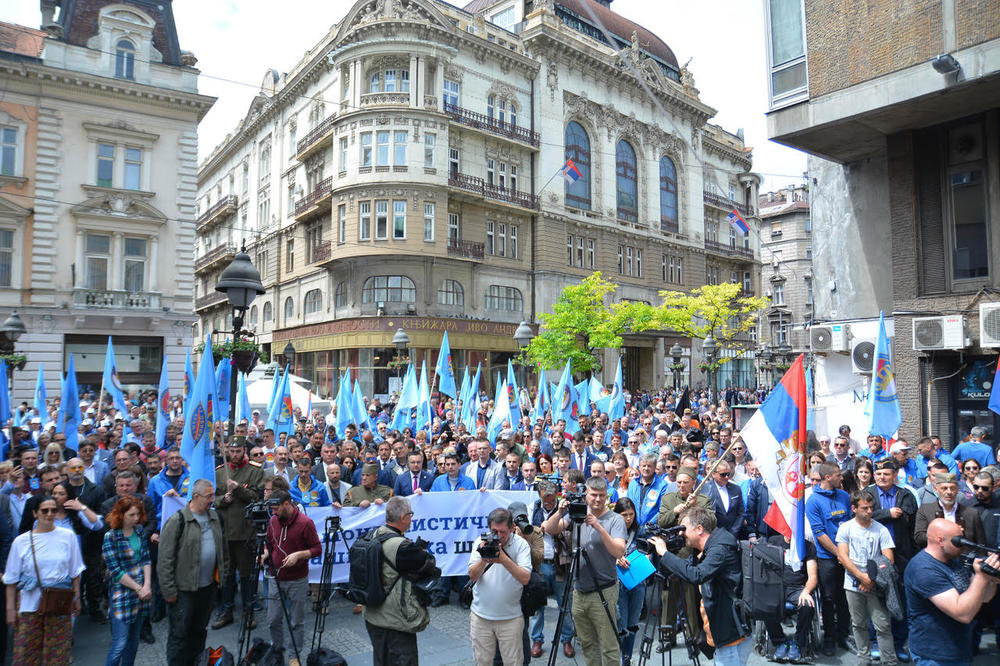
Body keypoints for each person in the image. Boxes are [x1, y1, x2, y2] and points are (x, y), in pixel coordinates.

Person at [650, 505, 750, 665]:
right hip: (726, 625)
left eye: (684, 528)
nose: (681, 533)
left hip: (731, 629)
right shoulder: (710, 546)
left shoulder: (719, 549)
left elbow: (696, 575)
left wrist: (665, 553)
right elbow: (686, 568)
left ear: (699, 529)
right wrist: (668, 552)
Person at [542, 476, 626, 666]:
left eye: (602, 495)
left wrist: (598, 526)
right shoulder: (577, 514)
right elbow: (549, 528)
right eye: (593, 495)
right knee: (587, 643)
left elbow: (618, 551)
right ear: (586, 494)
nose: (597, 499)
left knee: (609, 645)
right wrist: (560, 511)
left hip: (604, 589)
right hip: (579, 589)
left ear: (607, 496)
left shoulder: (615, 520)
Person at [904, 518, 1000, 665]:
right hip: (934, 656)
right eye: (958, 541)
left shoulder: (953, 561)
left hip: (959, 649)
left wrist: (990, 579)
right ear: (940, 540)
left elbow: (983, 598)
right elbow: (963, 613)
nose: (962, 545)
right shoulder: (923, 569)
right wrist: (981, 576)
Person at [3, 495, 84, 666]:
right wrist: (10, 609)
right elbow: (11, 580)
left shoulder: (67, 536)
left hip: (59, 602)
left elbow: (74, 572)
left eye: (53, 510)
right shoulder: (21, 541)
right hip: (28, 604)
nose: (49, 514)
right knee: (25, 653)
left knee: (57, 653)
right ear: (34, 513)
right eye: (44, 510)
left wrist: (77, 599)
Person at [158, 479, 228, 666]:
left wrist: (223, 577)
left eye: (213, 495)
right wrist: (169, 591)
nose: (213, 500)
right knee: (179, 636)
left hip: (207, 588)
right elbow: (165, 559)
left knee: (199, 632)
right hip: (183, 590)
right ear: (195, 497)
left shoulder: (215, 517)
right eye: (209, 496)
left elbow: (224, 551)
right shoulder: (178, 520)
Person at [364, 496, 439, 666]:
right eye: (411, 514)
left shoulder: (373, 535)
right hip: (395, 620)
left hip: (372, 615)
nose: (412, 518)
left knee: (380, 660)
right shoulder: (403, 547)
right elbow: (430, 565)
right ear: (404, 517)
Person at [836, 491, 897, 666]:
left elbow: (888, 559)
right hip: (853, 584)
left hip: (876, 584)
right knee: (858, 623)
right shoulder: (845, 528)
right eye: (865, 508)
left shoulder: (881, 529)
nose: (869, 511)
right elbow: (843, 556)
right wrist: (861, 577)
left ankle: (889, 661)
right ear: (854, 508)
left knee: (882, 625)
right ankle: (864, 658)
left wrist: (870, 580)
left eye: (871, 508)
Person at [263, 490, 321, 666]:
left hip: (297, 580)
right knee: (273, 619)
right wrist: (265, 554)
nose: (273, 513)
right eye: (271, 509)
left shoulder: (306, 523)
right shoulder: (272, 521)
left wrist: (299, 555)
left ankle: (294, 654)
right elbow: (269, 543)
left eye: (276, 509)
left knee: (296, 621)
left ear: (286, 504)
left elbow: (317, 549)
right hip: (275, 578)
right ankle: (278, 651)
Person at [468, 507, 532, 666]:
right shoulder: (480, 542)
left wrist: (503, 559)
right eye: (494, 531)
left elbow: (525, 578)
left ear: (512, 528)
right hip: (480, 617)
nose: (498, 536)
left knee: (514, 662)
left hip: (511, 618)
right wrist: (484, 558)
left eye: (503, 532)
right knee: (482, 661)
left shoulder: (521, 545)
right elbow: (472, 575)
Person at [212, 436, 265, 629]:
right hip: (225, 530)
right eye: (231, 451)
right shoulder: (219, 472)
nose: (234, 454)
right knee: (226, 574)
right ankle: (226, 610)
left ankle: (248, 612)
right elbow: (213, 498)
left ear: (244, 449)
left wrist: (238, 490)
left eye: (238, 451)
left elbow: (256, 497)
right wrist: (222, 500)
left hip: (245, 530)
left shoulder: (255, 470)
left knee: (246, 574)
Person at [805, 461, 855, 656]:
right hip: (827, 557)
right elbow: (820, 533)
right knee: (828, 598)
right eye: (837, 475)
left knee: (845, 597)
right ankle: (829, 638)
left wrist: (847, 553)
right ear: (827, 478)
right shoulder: (813, 501)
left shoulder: (843, 496)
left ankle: (843, 634)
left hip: (847, 555)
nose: (841, 477)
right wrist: (838, 553)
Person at [102, 497, 152, 666]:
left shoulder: (139, 531)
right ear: (121, 515)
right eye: (131, 515)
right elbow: (115, 570)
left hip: (140, 590)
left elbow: (146, 559)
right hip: (121, 592)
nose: (136, 518)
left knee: (133, 641)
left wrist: (146, 585)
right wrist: (140, 588)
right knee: (119, 644)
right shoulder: (111, 536)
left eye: (138, 514)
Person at [529, 481, 576, 659]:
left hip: (559, 563)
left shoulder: (566, 509)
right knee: (537, 603)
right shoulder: (532, 507)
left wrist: (551, 520)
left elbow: (557, 528)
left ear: (557, 495)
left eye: (551, 501)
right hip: (539, 562)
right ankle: (537, 639)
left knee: (564, 603)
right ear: (539, 495)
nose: (548, 504)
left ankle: (566, 639)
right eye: (545, 500)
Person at [763, 532, 818, 662]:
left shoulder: (807, 546)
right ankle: (779, 641)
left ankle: (798, 643)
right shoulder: (773, 542)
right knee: (764, 603)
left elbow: (813, 576)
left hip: (798, 588)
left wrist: (806, 591)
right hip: (776, 587)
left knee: (807, 604)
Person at [613, 498, 649, 666]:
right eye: (624, 515)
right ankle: (621, 657)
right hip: (618, 583)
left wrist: (646, 557)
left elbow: (647, 551)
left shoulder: (640, 531)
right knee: (622, 621)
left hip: (637, 581)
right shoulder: (612, 530)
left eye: (631, 515)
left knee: (633, 622)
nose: (628, 519)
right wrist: (616, 559)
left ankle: (627, 657)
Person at [915, 472, 986, 549]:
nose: (949, 492)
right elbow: (919, 538)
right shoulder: (925, 510)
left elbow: (981, 544)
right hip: (935, 558)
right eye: (944, 488)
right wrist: (945, 534)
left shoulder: (972, 513)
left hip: (963, 558)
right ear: (936, 489)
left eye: (952, 488)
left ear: (958, 490)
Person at [699, 459, 745, 537]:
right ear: (713, 474)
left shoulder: (736, 489)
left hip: (733, 534)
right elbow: (704, 515)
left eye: (728, 474)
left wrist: (733, 532)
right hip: (714, 535)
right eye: (723, 474)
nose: (727, 477)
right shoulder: (705, 489)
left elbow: (740, 513)